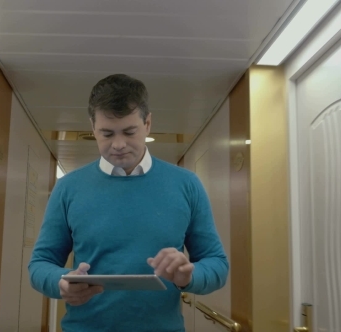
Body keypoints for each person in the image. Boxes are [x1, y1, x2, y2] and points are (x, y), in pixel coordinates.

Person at [28, 74, 228, 331]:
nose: (118, 144)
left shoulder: (187, 185)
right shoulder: (68, 188)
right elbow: (40, 264)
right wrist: (61, 282)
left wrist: (189, 276)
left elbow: (217, 263)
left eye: (129, 132)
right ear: (92, 127)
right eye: (107, 133)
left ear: (147, 123)